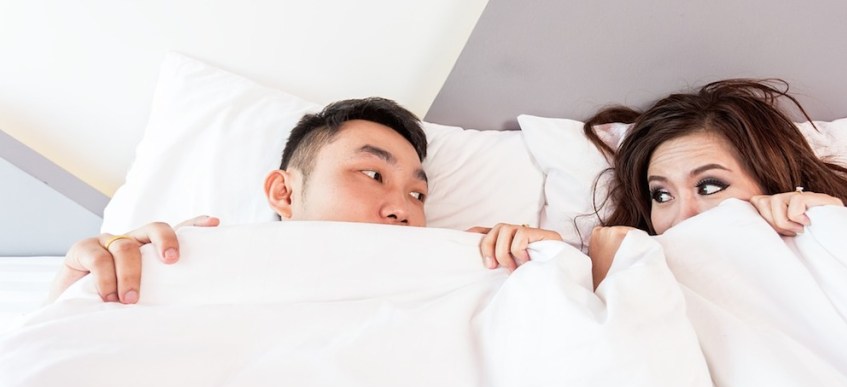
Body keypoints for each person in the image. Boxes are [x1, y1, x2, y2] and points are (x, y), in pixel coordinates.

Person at [51, 97, 560, 303]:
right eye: (370, 173)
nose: (403, 207)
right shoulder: (193, 254)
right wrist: (78, 285)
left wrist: (544, 264)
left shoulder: (459, 269)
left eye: (417, 193)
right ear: (283, 192)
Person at [582, 79, 847, 287]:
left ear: (771, 183)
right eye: (661, 194)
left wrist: (837, 227)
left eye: (709, 186)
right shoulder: (641, 273)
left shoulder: (828, 247)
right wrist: (609, 277)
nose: (682, 217)